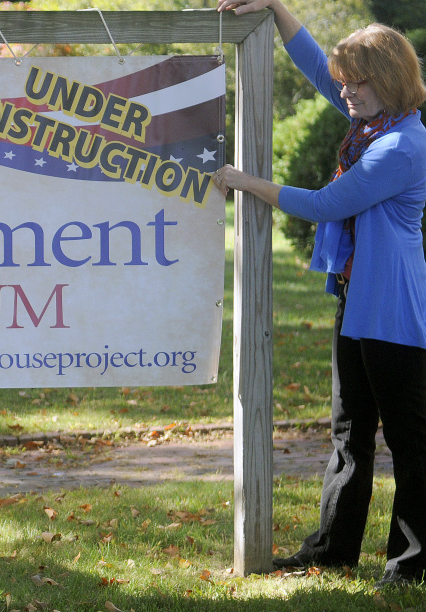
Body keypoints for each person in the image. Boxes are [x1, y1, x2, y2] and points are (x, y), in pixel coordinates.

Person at [215, 0, 426, 589]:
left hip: (394, 311)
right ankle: (332, 551)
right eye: (347, 82)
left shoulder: (399, 147)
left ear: (385, 82)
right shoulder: (370, 123)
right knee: (348, 432)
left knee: (410, 442)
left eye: (356, 82)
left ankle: (408, 566)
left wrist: (242, 181)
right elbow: (314, 66)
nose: (345, 91)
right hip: (356, 299)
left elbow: (325, 204)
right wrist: (276, 6)